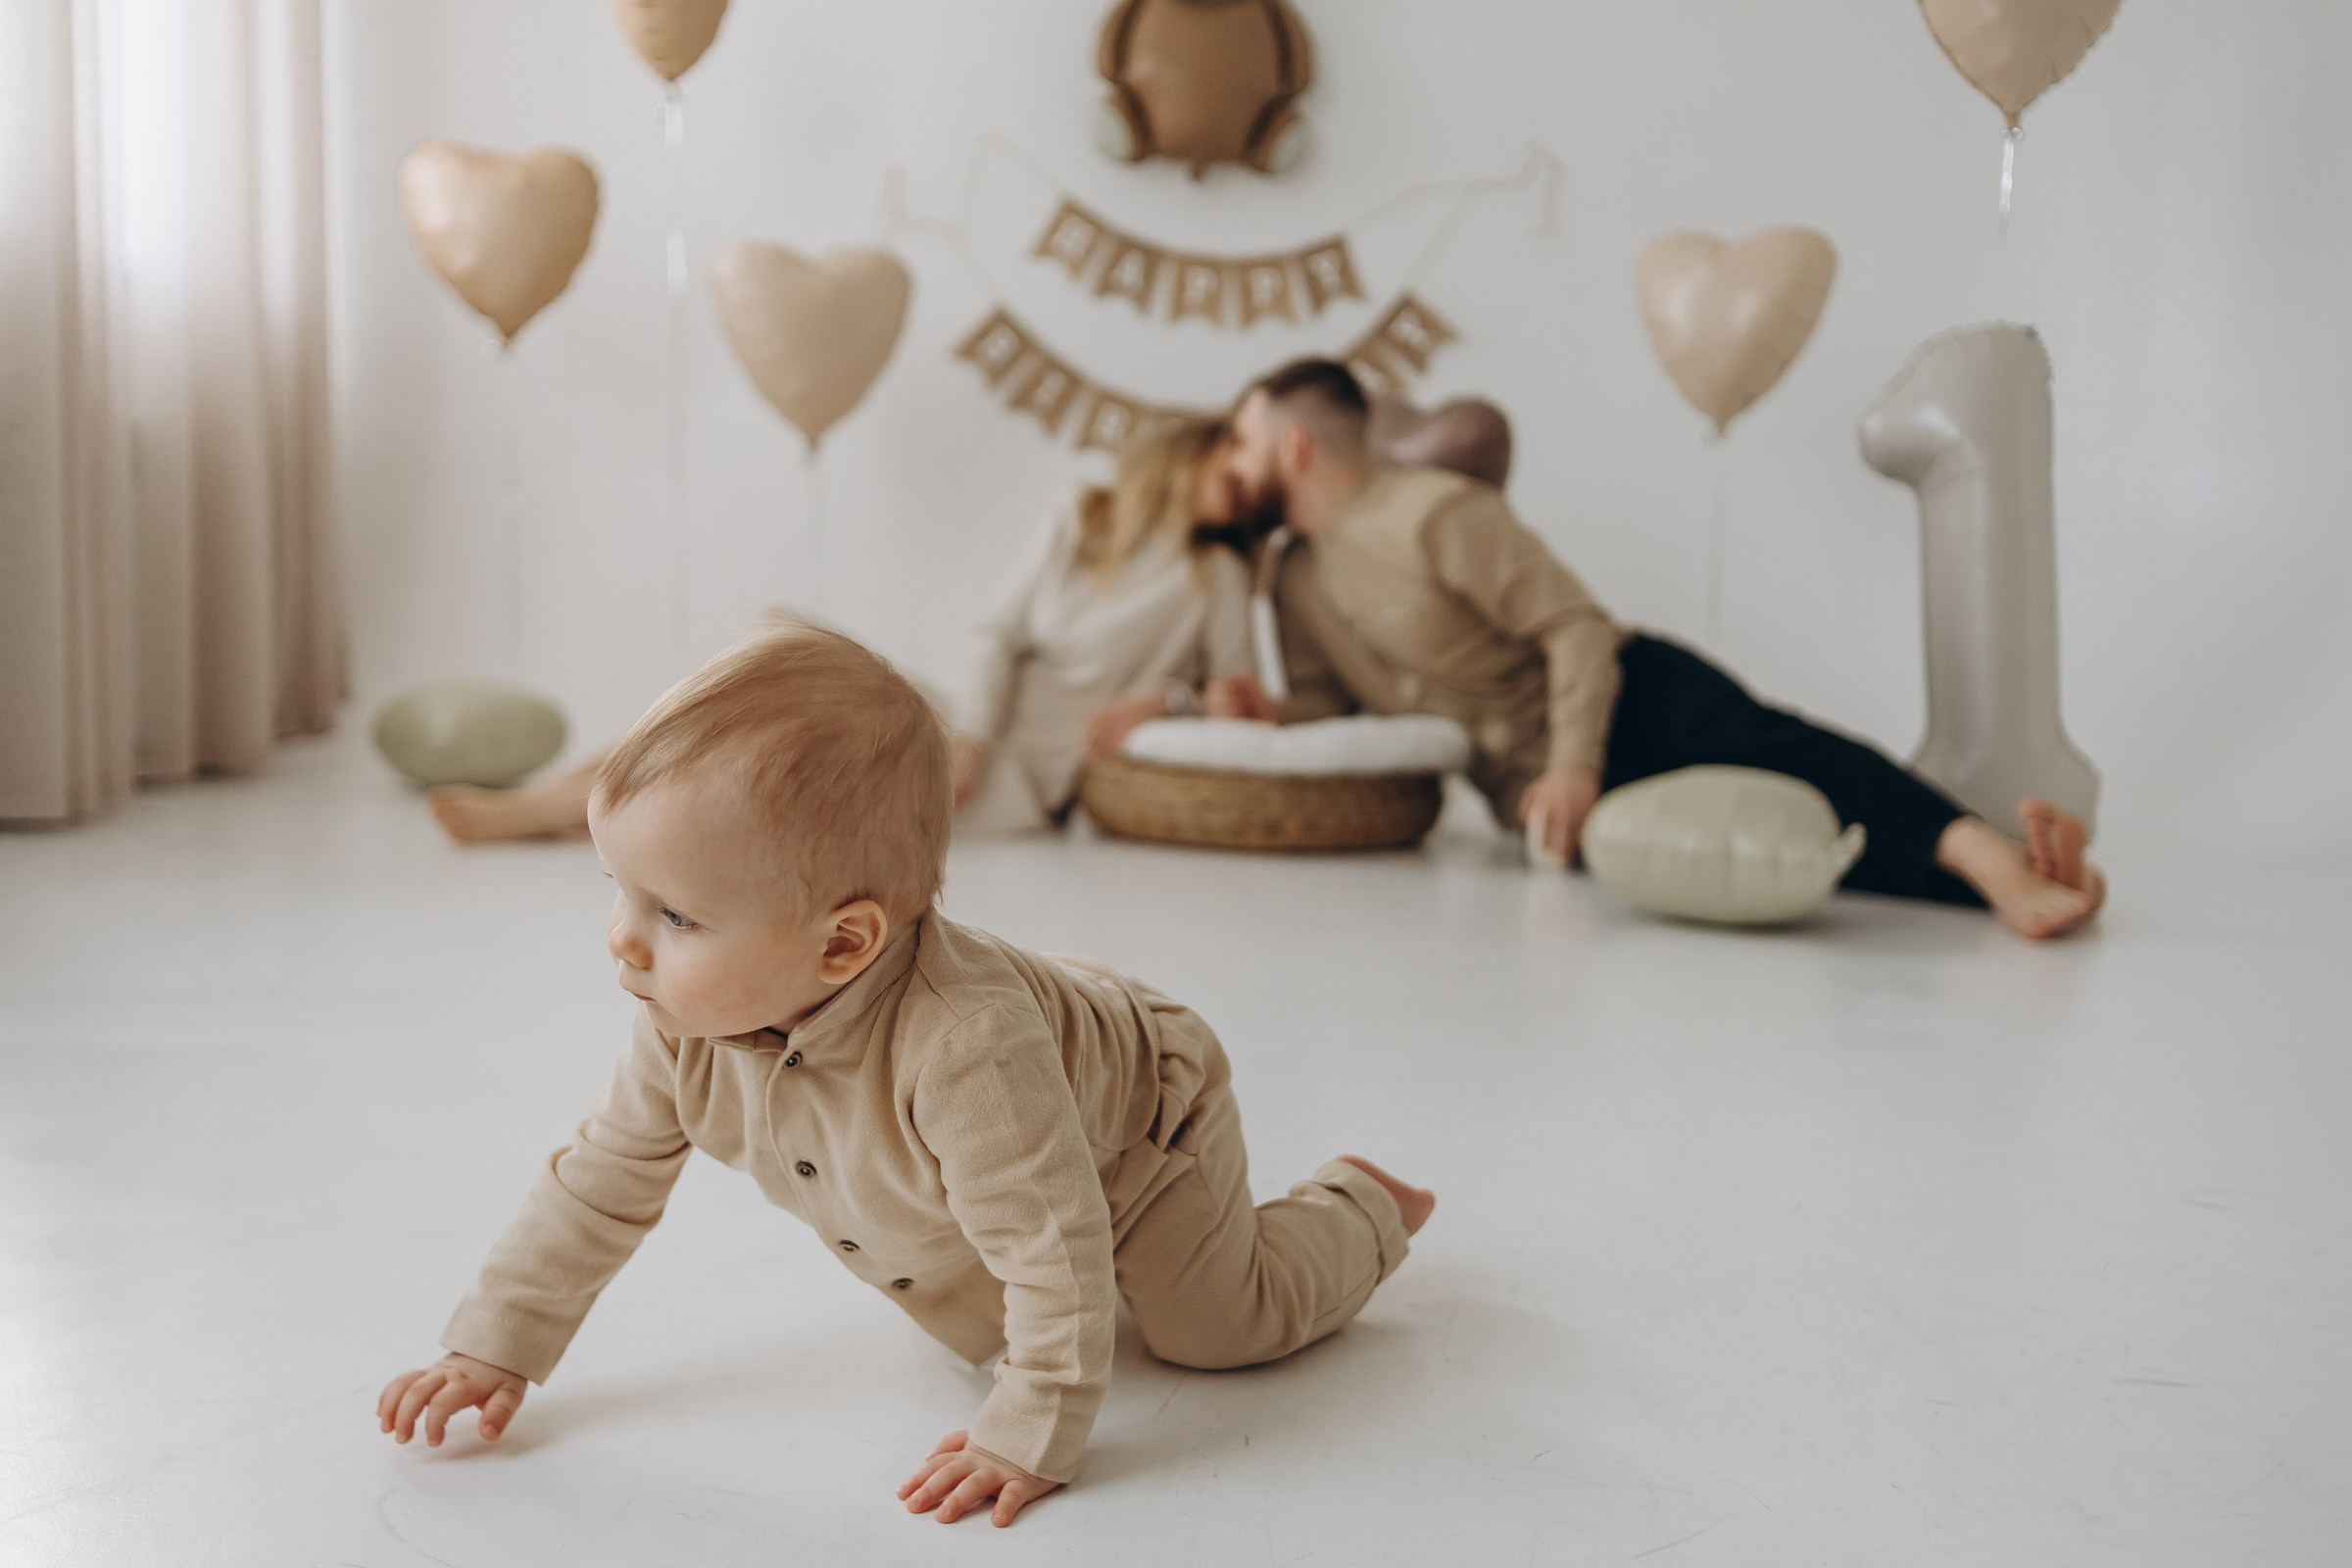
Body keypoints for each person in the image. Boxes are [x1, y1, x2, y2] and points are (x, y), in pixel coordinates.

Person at [374, 618, 1432, 1528]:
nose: (622, 942)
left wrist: (1030, 1430)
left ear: (842, 946)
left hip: (1145, 1116)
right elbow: (595, 1186)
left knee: (1212, 1327)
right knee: (983, 1309)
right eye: (620, 890)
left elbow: (1055, 1248)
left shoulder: (967, 1053)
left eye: (676, 917)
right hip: (1035, 1048)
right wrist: (495, 1343)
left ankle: (1360, 1207)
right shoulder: (681, 1025)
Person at [1205, 359, 2106, 940]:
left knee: (1799, 766)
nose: (1232, 463)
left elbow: (1576, 627)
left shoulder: (1434, 510)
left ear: (1292, 446)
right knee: (1789, 851)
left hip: (1627, 699)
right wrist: (1271, 712)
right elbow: (1341, 709)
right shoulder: (1290, 579)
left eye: (1241, 441)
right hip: (1551, 798)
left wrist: (1570, 762)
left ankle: (1999, 866)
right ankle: (2037, 875)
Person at [423, 416, 1255, 844]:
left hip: (1017, 781)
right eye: (1232, 463)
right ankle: (556, 804)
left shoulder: (1218, 576)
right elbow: (998, 633)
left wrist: (1166, 699)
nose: (1244, 488)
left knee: (750, 730)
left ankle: (551, 810)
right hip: (960, 726)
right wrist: (966, 734)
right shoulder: (1088, 521)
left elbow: (1247, 702)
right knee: (769, 644)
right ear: (1186, 455)